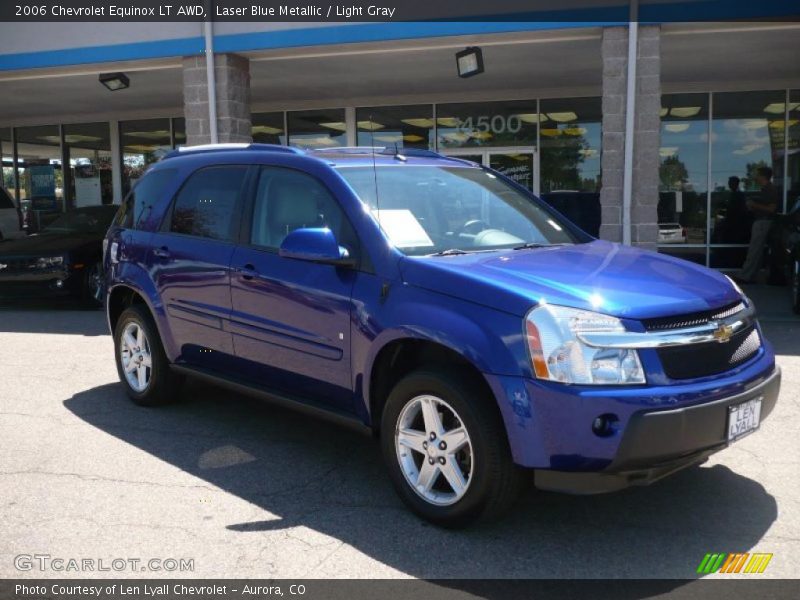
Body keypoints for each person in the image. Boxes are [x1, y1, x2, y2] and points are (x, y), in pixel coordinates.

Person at [734, 167, 780, 284]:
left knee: (754, 250)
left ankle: (744, 276)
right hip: (761, 221)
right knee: (757, 251)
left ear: (763, 176)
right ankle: (751, 275)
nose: (755, 177)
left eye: (757, 174)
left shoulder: (770, 190)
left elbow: (771, 209)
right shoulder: (765, 189)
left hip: (763, 222)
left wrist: (753, 204)